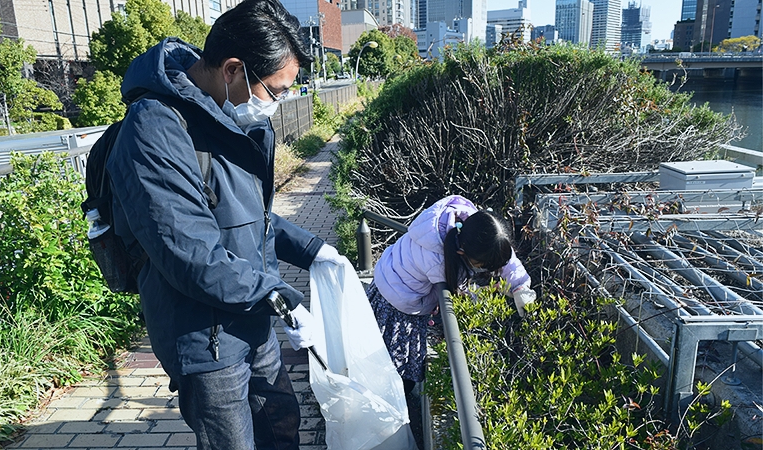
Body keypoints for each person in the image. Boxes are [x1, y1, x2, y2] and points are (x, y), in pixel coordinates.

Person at [105, 1, 344, 449]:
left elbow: (252, 218)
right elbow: (190, 252)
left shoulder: (231, 120)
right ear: (233, 69)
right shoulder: (156, 128)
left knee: (281, 425)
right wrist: (281, 295)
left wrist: (314, 250)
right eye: (276, 92)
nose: (279, 105)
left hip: (251, 314)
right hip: (204, 339)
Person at [367, 195, 536, 396]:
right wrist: (489, 292)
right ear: (462, 253)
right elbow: (461, 294)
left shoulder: (470, 224)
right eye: (481, 267)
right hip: (397, 300)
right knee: (398, 370)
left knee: (387, 363)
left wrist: (520, 287)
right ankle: (388, 411)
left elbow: (506, 259)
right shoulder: (437, 260)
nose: (484, 271)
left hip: (388, 274)